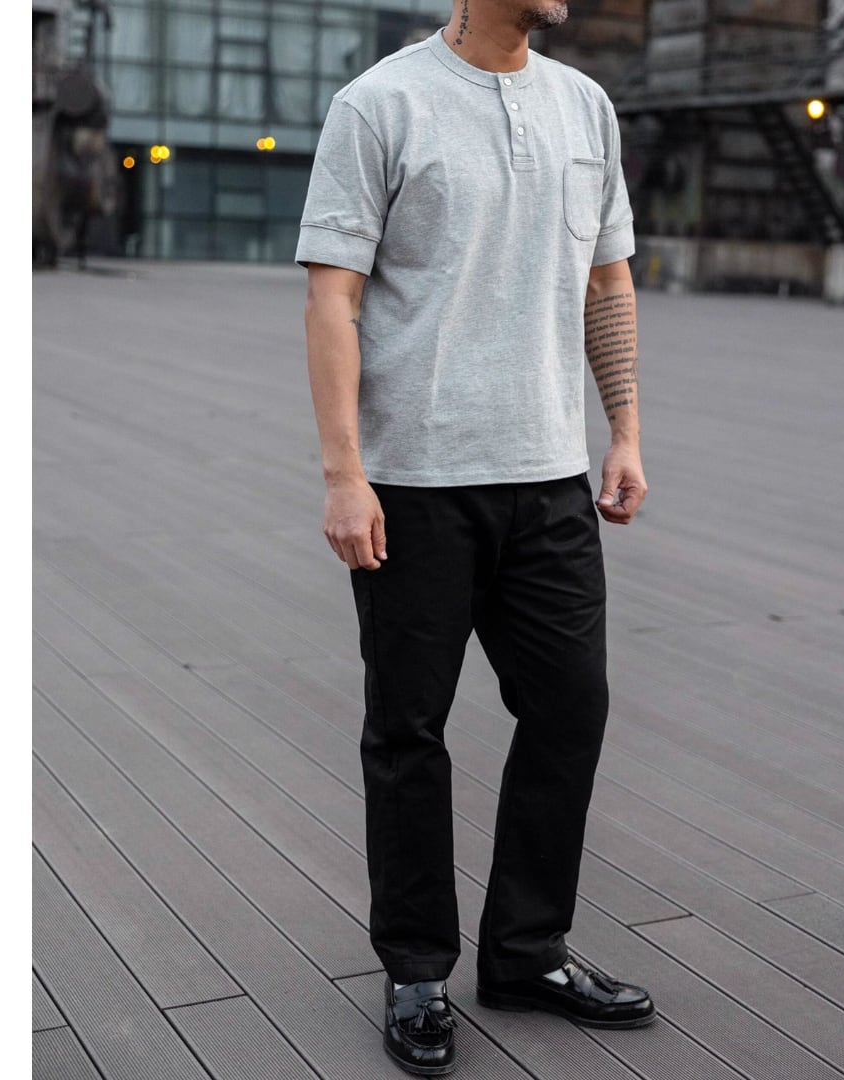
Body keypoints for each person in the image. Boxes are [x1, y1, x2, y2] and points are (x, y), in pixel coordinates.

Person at [297, 1, 655, 1073]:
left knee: (571, 710)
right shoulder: (380, 105)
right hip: (416, 484)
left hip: (549, 480)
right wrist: (345, 474)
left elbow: (607, 278)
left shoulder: (586, 106)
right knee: (408, 731)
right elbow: (332, 298)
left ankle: (526, 951)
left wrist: (625, 429)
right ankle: (416, 968)